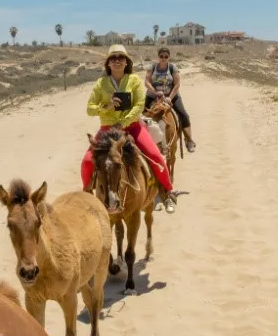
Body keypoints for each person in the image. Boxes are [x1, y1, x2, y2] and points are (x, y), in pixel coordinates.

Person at [80, 44, 177, 213]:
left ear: (126, 62)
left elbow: (139, 106)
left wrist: (123, 123)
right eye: (113, 58)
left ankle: (168, 192)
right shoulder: (100, 83)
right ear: (108, 63)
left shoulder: (134, 80)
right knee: (87, 161)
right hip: (107, 130)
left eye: (121, 58)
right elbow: (89, 108)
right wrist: (106, 107)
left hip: (132, 127)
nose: (117, 61)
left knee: (156, 156)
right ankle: (87, 195)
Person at [144, 46, 197, 152]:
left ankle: (188, 140)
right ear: (158, 56)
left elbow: (177, 84)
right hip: (153, 96)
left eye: (166, 56)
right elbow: (147, 82)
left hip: (171, 96)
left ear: (169, 57)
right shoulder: (152, 67)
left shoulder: (172, 68)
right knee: (142, 116)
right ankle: (142, 140)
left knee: (183, 114)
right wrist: (155, 92)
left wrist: (170, 97)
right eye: (161, 56)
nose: (163, 58)